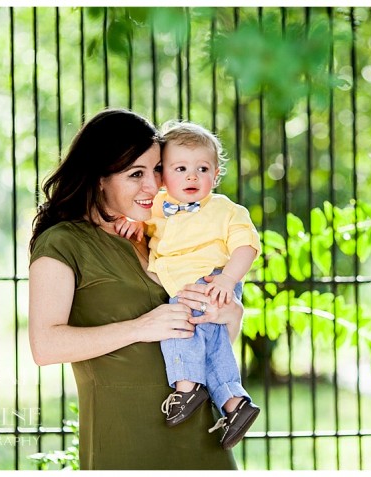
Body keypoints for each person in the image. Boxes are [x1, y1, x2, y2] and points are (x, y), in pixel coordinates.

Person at [28, 108, 243, 470]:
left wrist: (230, 314)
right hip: (127, 443)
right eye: (136, 174)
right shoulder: (63, 243)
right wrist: (141, 327)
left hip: (204, 440)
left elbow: (212, 342)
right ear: (100, 178)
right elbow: (44, 346)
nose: (153, 185)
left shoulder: (159, 237)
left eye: (157, 169)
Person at [113, 120, 261, 449]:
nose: (192, 176)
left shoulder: (226, 210)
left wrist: (227, 279)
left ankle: (187, 387)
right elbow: (139, 224)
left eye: (202, 168)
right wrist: (132, 225)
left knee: (177, 325)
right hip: (190, 287)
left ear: (216, 173)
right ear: (163, 174)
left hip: (211, 281)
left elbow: (246, 246)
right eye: (181, 168)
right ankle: (235, 403)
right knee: (213, 344)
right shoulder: (157, 208)